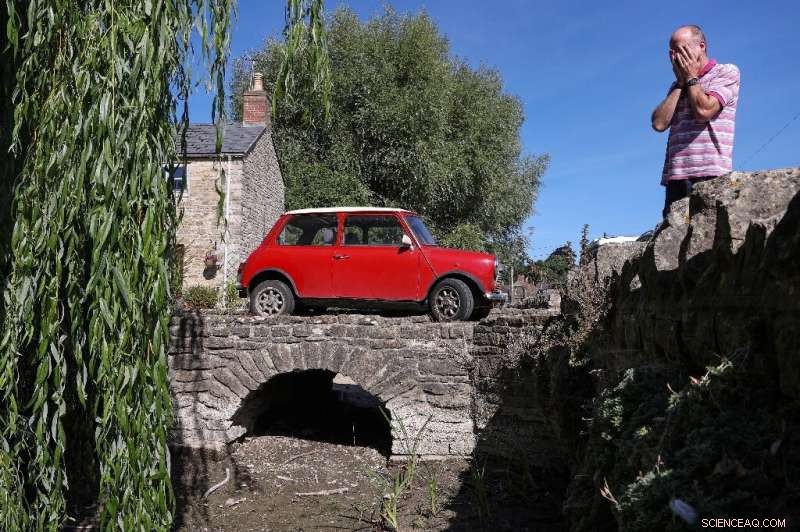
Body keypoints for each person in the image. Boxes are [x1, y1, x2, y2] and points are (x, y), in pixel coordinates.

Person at [651, 25, 740, 216]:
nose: (676, 57)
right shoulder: (678, 85)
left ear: (701, 46)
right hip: (677, 177)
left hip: (711, 173)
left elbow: (704, 110)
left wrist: (691, 77)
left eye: (682, 49)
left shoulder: (726, 72)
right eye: (672, 52)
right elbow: (659, 123)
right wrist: (680, 84)